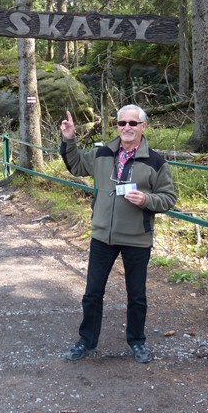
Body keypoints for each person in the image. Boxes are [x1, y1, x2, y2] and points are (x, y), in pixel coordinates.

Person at [59, 104, 176, 363]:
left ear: (143, 127)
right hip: (103, 236)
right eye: (122, 123)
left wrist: (146, 200)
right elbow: (75, 165)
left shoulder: (155, 162)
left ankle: (137, 342)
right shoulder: (103, 153)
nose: (126, 127)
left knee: (136, 295)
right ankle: (86, 341)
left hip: (137, 238)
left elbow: (169, 198)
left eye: (133, 123)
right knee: (92, 292)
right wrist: (69, 139)